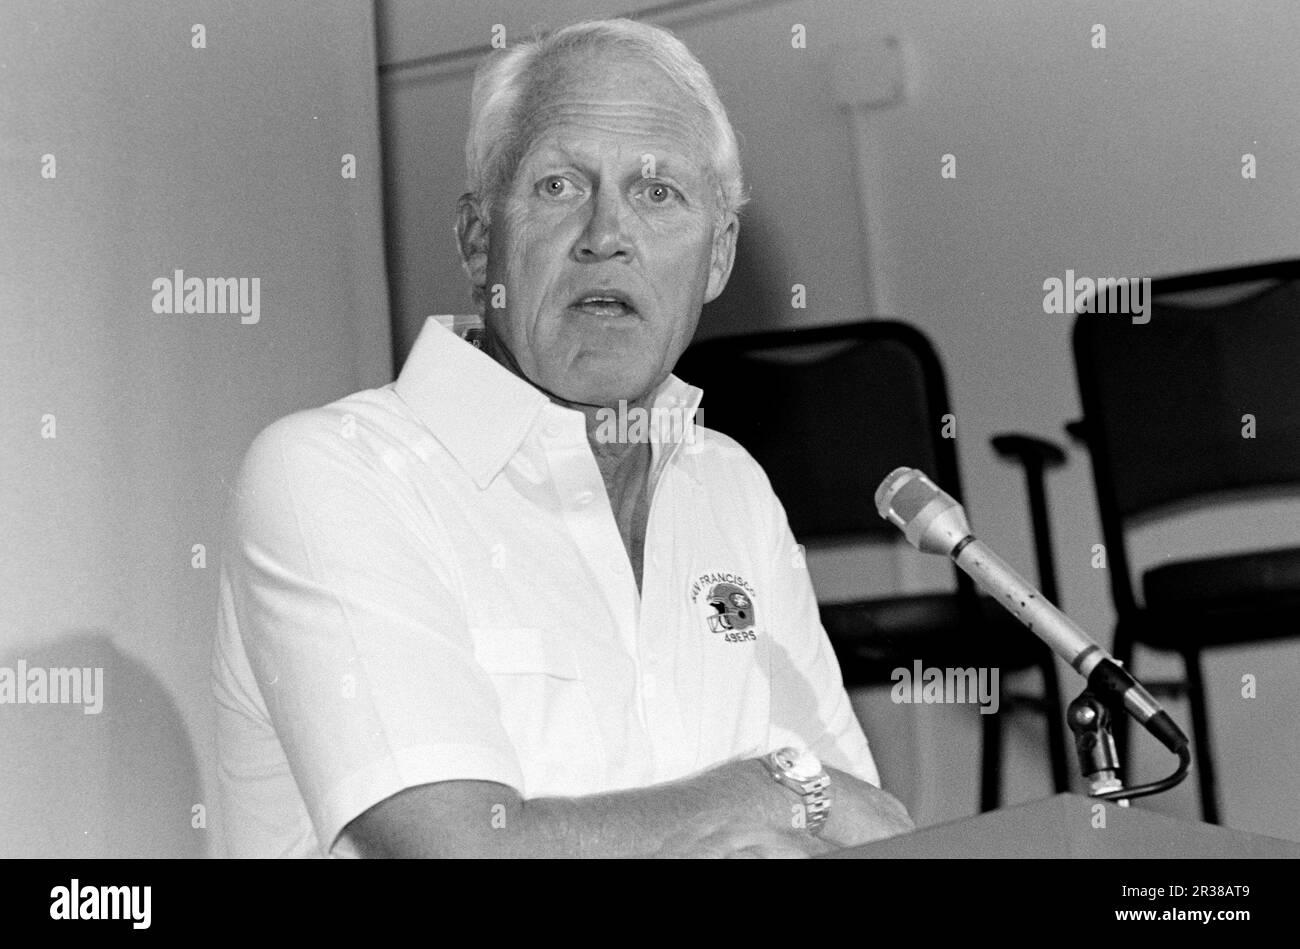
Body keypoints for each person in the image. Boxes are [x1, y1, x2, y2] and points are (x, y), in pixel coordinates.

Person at [212, 17, 913, 858]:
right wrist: (765, 787)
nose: (606, 233)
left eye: (658, 193)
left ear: (718, 256)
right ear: (479, 242)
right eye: (558, 186)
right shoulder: (331, 474)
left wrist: (795, 805)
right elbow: (471, 851)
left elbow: (877, 834)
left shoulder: (727, 483)